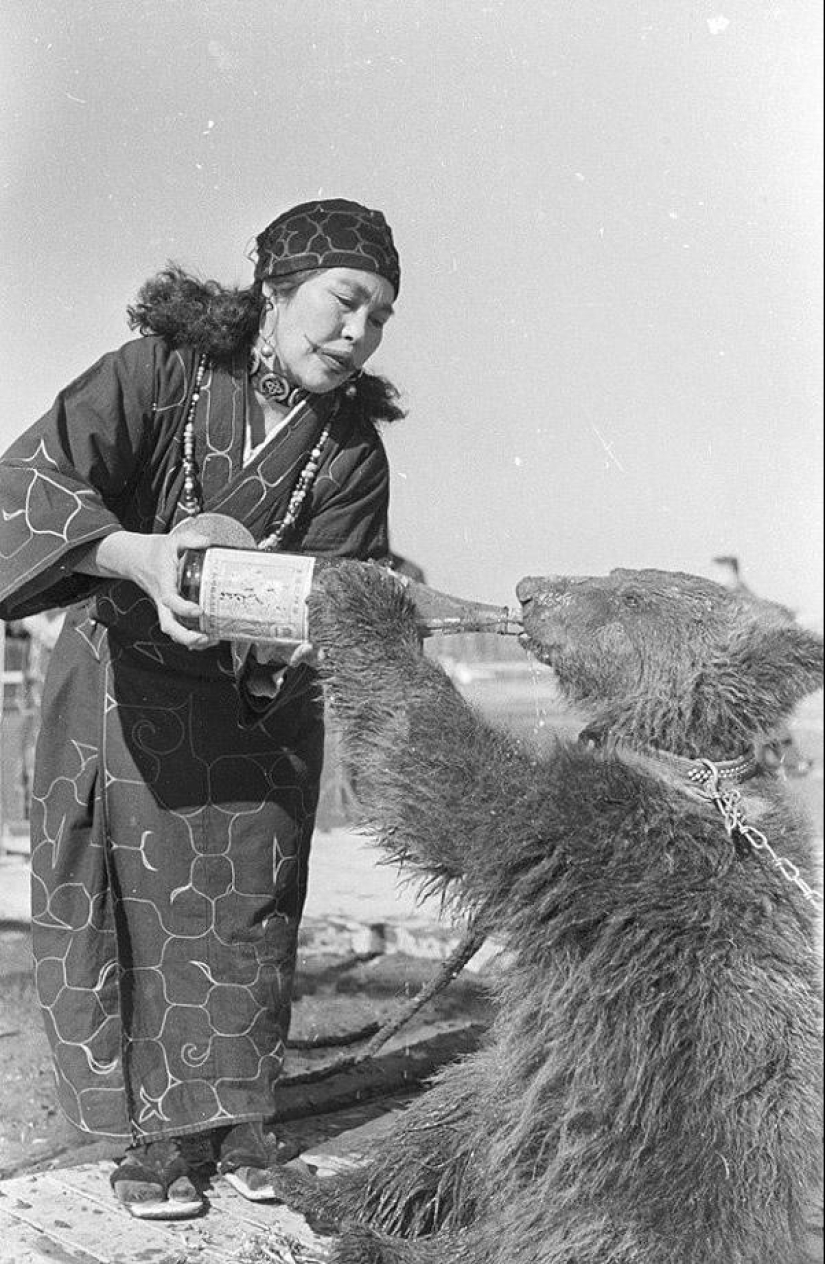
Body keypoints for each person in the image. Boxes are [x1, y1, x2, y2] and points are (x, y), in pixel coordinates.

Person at [0, 198, 403, 1218]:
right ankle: (157, 1141)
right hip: (119, 689)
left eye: (381, 318)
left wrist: (277, 640)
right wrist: (136, 554)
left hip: (255, 701)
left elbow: (343, 588)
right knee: (133, 908)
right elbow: (28, 486)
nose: (359, 333)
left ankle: (241, 1112)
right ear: (274, 289)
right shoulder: (157, 376)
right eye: (345, 302)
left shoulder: (350, 449)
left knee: (246, 906)